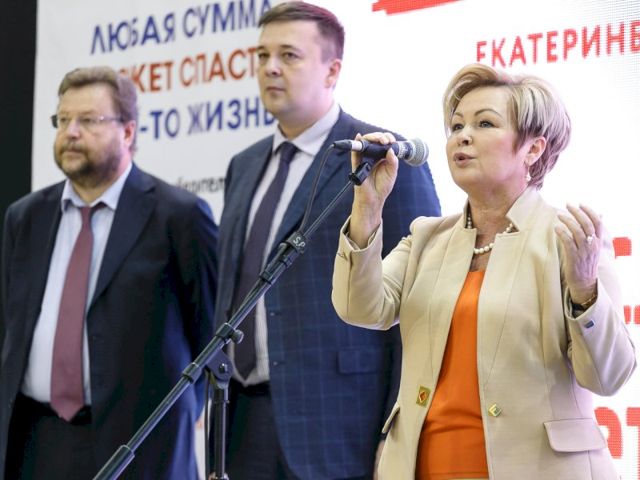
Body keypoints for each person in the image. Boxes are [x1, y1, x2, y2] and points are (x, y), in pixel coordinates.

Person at [332, 63, 636, 479]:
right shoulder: (426, 237)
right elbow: (358, 308)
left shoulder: (569, 238)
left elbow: (608, 377)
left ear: (533, 149)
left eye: (485, 123)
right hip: (426, 467)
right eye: (456, 126)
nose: (463, 136)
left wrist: (585, 290)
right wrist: (367, 206)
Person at [212, 2, 440, 479]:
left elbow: (419, 308)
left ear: (332, 70)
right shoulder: (243, 165)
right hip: (243, 421)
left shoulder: (382, 156)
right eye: (262, 55)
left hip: (341, 424)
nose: (270, 68)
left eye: (289, 55)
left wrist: (396, 431)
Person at [0, 66, 218, 480]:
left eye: (88, 120)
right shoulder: (25, 217)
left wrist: (182, 417)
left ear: (128, 131)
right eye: (63, 120)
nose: (71, 132)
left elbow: (210, 334)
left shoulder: (180, 216)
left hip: (139, 448)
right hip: (37, 440)